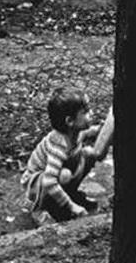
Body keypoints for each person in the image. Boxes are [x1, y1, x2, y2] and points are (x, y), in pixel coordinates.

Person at [21, 87, 102, 222]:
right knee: (64, 175)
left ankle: (69, 194)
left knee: (88, 154)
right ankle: (39, 209)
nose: (92, 113)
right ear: (70, 121)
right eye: (86, 112)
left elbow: (91, 132)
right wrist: (72, 207)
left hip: (57, 175)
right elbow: (49, 181)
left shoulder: (76, 132)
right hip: (36, 185)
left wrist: (103, 129)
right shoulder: (58, 146)